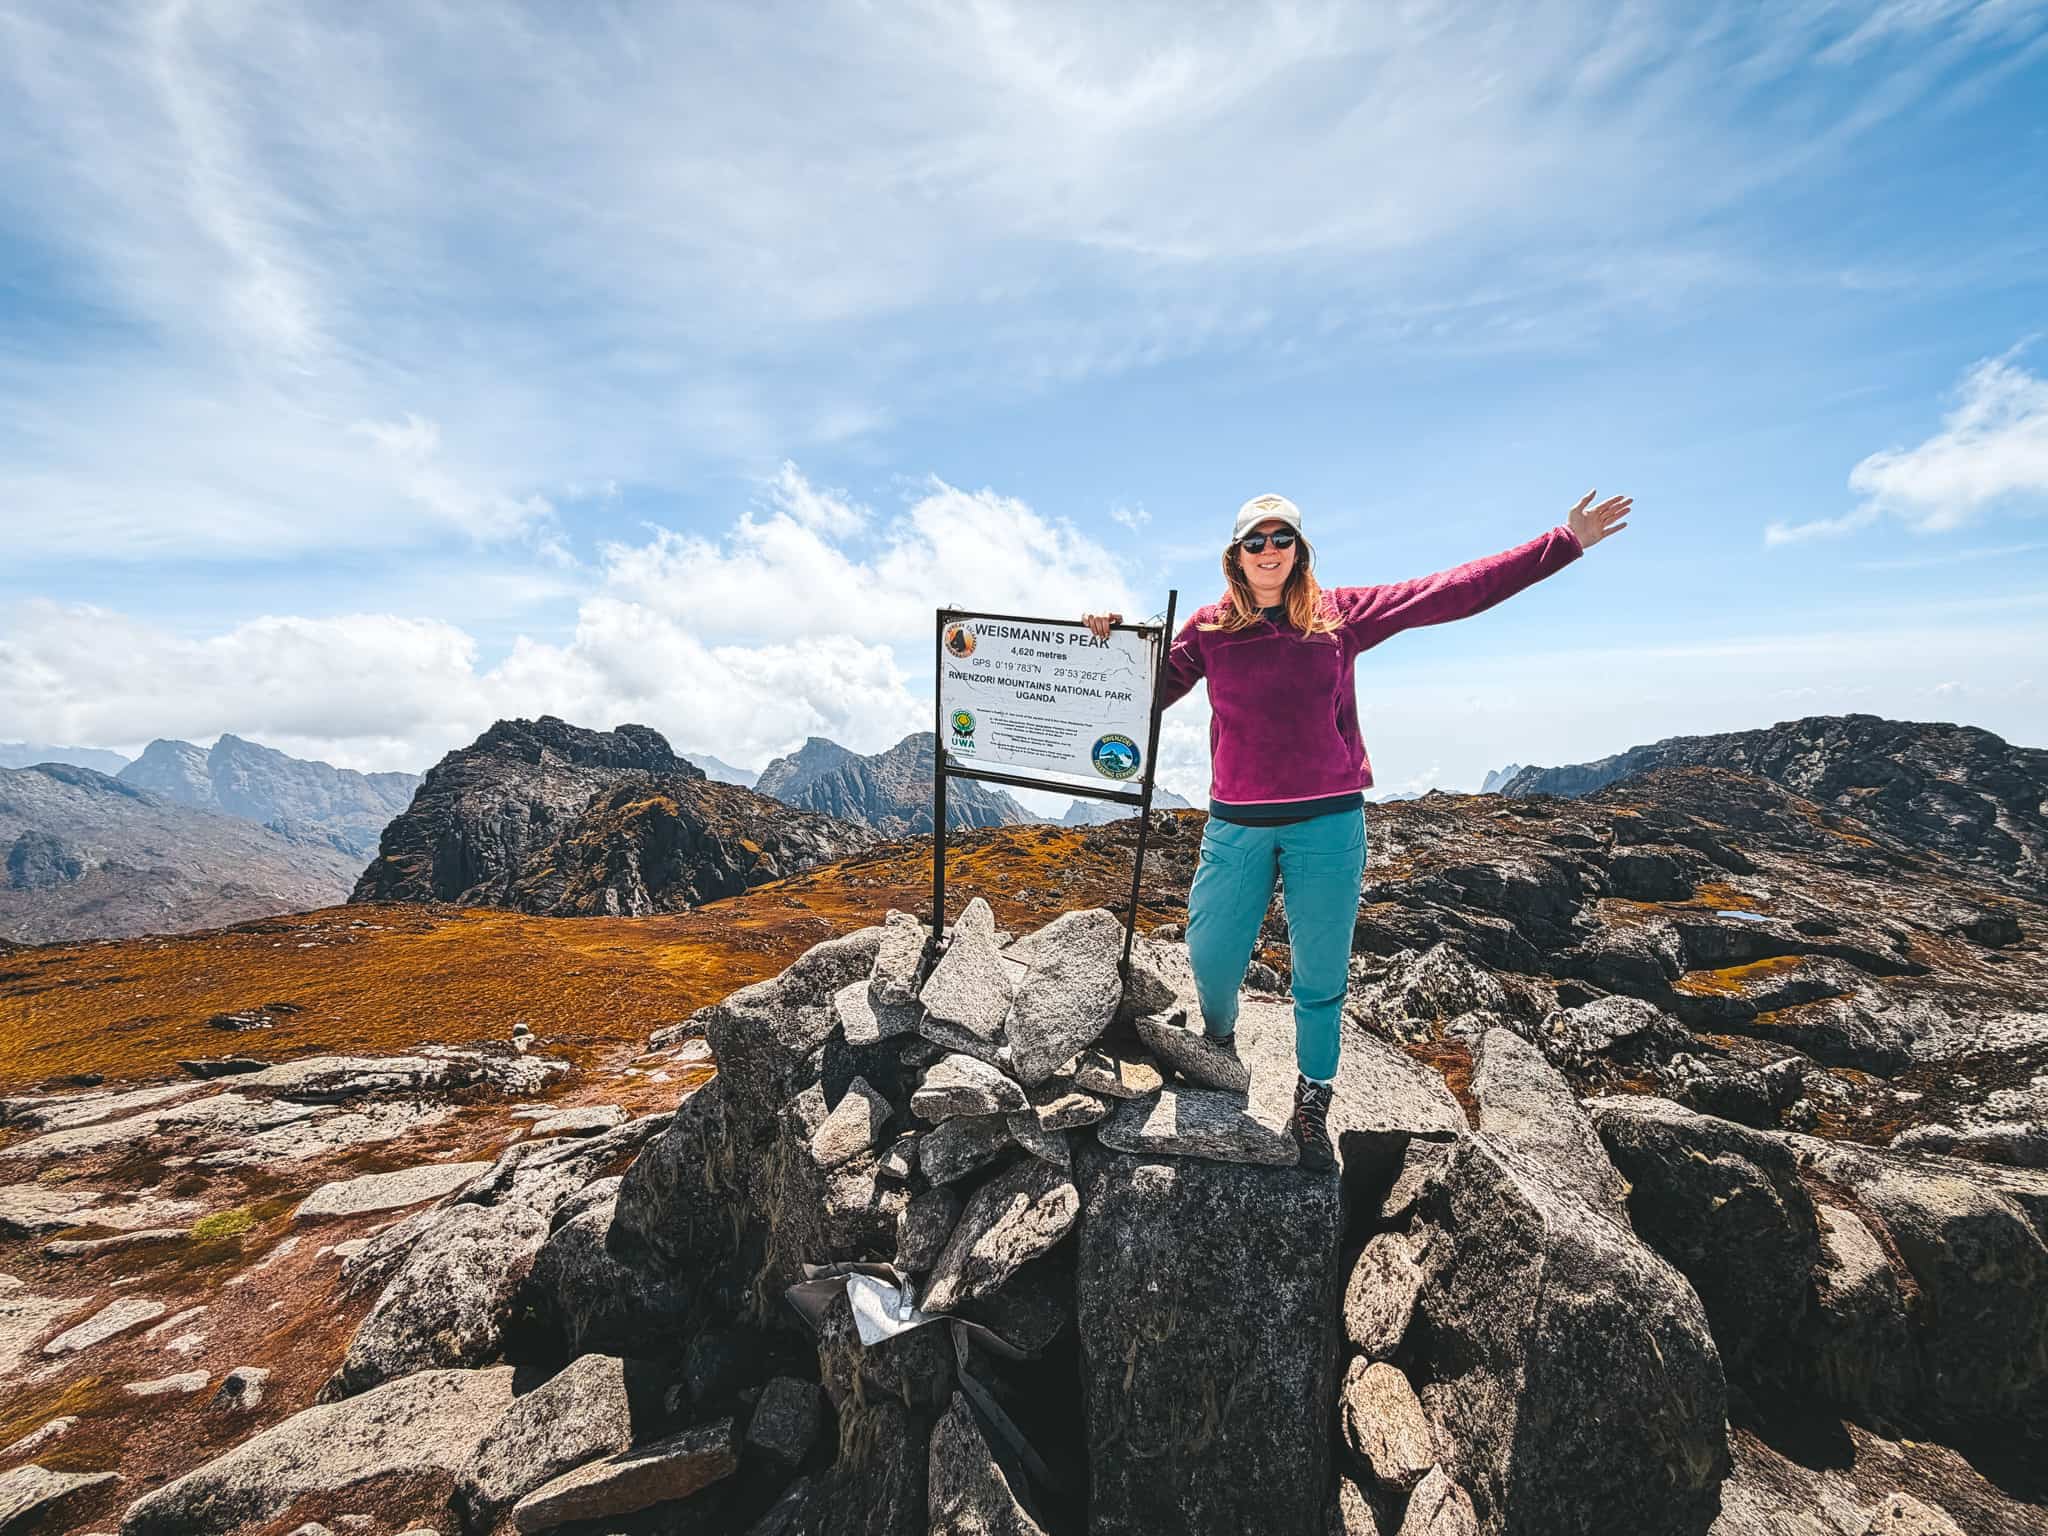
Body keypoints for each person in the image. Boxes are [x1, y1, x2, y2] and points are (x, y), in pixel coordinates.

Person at [1084, 488, 1630, 1170]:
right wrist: (1107, 643)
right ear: (1235, 554)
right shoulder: (1211, 628)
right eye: (1255, 540)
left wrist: (1563, 542)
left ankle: (1313, 1100)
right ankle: (1217, 1040)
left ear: (1299, 549)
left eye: (1281, 538)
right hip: (1237, 823)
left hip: (1327, 823)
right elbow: (1145, 692)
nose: (1269, 551)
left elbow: (1450, 592)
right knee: (1210, 950)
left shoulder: (1339, 616)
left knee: (1319, 975)